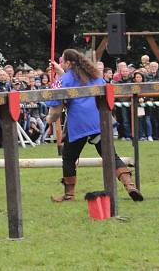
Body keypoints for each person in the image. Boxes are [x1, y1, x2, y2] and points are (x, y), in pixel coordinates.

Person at [47, 49, 143, 203]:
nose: (61, 64)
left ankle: (69, 195)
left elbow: (56, 110)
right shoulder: (96, 76)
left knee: (69, 157)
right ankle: (130, 185)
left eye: (62, 61)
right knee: (111, 155)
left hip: (78, 123)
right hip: (100, 121)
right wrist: (61, 72)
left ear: (68, 63)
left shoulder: (63, 80)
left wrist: (49, 119)